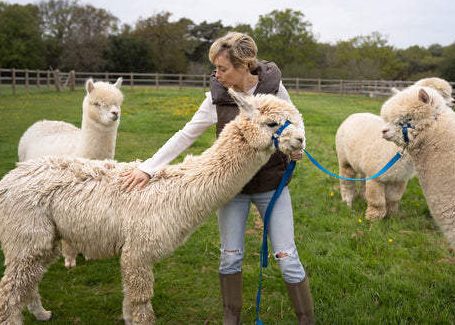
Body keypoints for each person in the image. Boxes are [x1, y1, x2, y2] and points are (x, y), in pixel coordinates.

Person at [120, 32, 314, 324]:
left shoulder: (275, 91)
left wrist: (301, 148)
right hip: (232, 191)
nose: (216, 74)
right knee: (231, 255)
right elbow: (186, 135)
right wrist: (149, 167)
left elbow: (297, 125)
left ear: (244, 65)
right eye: (216, 68)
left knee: (287, 258)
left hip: (271, 187)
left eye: (222, 68)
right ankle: (230, 319)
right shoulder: (216, 98)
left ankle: (306, 319)